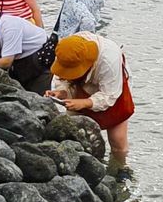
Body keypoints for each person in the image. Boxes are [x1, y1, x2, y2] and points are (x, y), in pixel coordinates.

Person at [46, 32, 133, 167]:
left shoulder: (109, 60)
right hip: (82, 88)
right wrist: (61, 93)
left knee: (118, 141)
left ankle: (121, 169)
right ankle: (82, 165)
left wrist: (85, 102)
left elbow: (109, 95)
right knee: (76, 134)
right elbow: (62, 79)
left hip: (112, 89)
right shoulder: (66, 51)